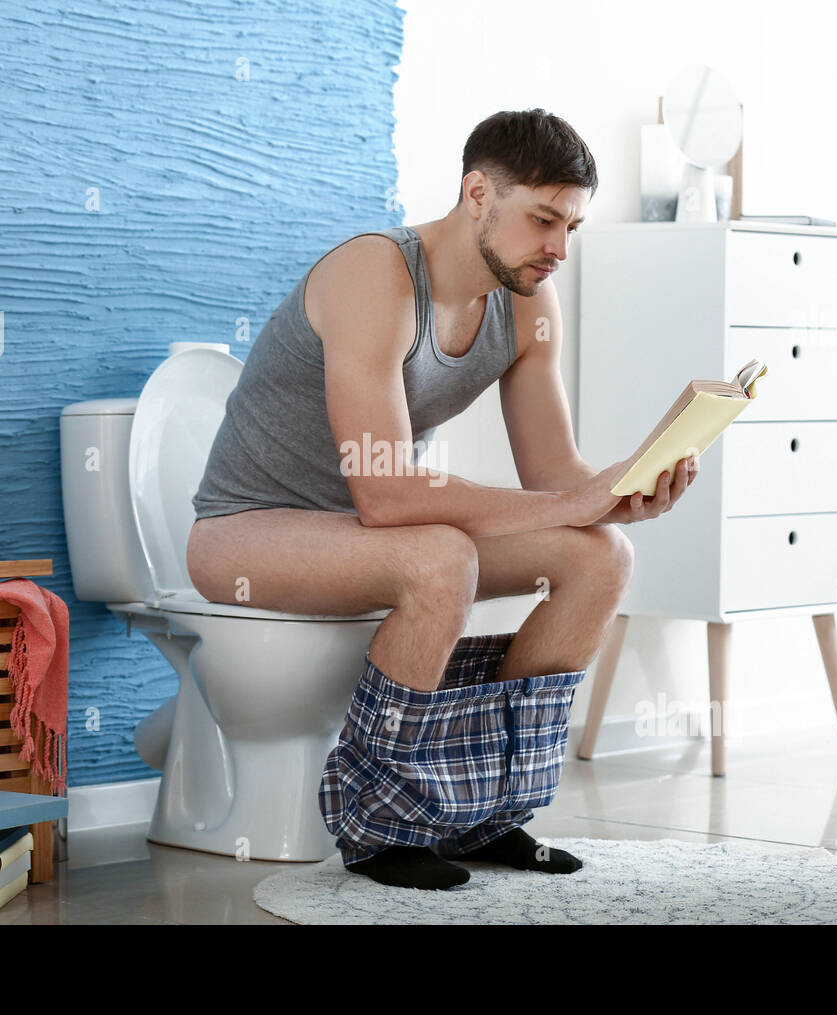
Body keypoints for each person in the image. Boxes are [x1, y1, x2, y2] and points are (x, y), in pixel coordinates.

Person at [187, 108, 698, 888]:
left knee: (601, 557)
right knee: (438, 559)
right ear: (476, 193)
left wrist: (619, 493)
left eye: (573, 226)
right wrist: (572, 500)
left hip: (365, 532)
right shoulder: (377, 275)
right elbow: (388, 493)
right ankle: (381, 822)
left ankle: (488, 814)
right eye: (543, 220)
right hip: (245, 530)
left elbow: (554, 472)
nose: (560, 248)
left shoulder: (528, 301)